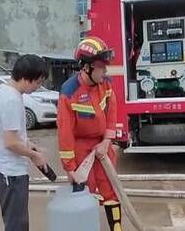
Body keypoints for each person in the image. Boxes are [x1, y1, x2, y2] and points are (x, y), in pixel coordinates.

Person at [57, 37, 121, 231]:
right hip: (81, 149)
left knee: (111, 190)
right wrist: (70, 169)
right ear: (86, 68)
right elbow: (65, 132)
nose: (105, 71)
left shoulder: (106, 84)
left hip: (102, 145)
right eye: (101, 67)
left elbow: (112, 112)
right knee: (85, 194)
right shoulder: (69, 92)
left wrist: (107, 141)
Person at [0, 54, 49, 231]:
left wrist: (27, 143)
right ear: (25, 78)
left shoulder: (3, 91)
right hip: (9, 173)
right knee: (17, 225)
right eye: (38, 82)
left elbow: (9, 133)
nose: (39, 86)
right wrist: (35, 156)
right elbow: (10, 143)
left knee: (14, 221)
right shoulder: (11, 99)